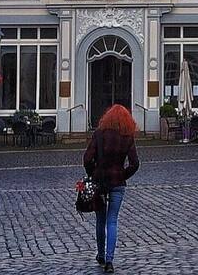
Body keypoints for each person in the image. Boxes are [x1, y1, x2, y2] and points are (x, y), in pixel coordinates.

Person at [84, 104, 141, 274]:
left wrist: (92, 173)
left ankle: (100, 255)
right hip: (118, 183)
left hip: (100, 182)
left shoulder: (99, 134)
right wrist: (123, 175)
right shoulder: (127, 136)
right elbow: (135, 163)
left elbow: (87, 158)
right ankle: (110, 260)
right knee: (112, 220)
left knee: (100, 220)